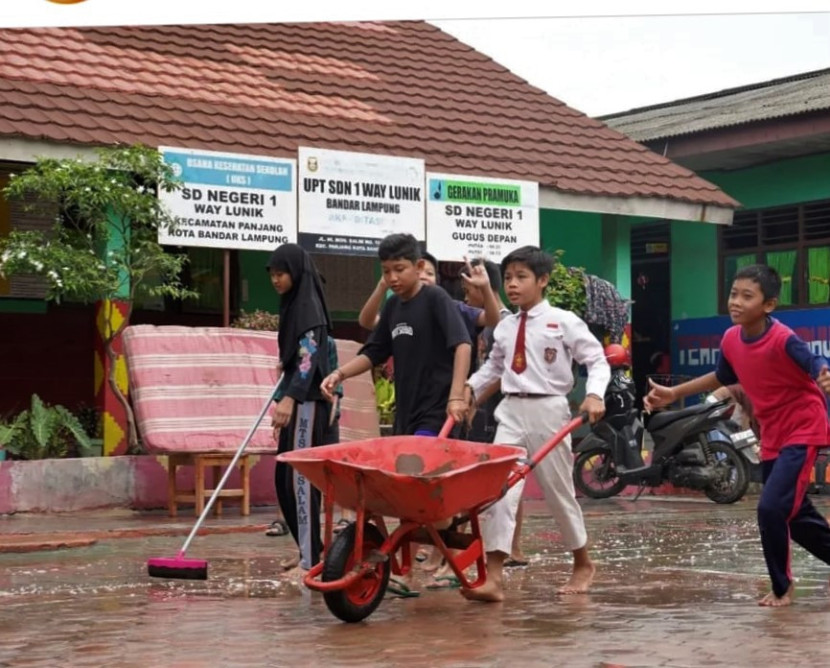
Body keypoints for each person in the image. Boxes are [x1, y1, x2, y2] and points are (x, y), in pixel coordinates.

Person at [645, 264, 830, 608]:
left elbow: (814, 359)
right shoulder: (731, 339)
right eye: (734, 294)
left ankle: (782, 587)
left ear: (768, 305)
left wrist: (822, 372)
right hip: (773, 432)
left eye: (748, 296)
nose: (736, 302)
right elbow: (721, 377)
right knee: (797, 517)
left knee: (771, 509)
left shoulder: (782, 338)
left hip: (803, 428)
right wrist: (673, 394)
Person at [321, 233, 472, 597]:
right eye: (386, 271)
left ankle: (420, 558)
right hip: (407, 411)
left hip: (437, 411)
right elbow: (373, 352)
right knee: (410, 496)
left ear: (420, 268)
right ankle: (410, 564)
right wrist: (340, 373)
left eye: (399, 269)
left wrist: (456, 396)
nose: (392, 278)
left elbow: (463, 343)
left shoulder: (435, 298)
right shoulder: (393, 308)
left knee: (415, 487)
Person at [460, 245, 610, 602]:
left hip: (550, 410)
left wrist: (595, 394)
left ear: (542, 280)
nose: (512, 285)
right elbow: (494, 369)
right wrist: (468, 390)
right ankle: (494, 577)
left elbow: (597, 360)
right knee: (499, 491)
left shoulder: (564, 321)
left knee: (558, 492)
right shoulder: (505, 327)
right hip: (510, 410)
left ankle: (583, 562)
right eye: (508, 277)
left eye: (521, 277)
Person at [266, 243, 341, 576]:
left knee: (300, 480)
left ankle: (312, 561)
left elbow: (308, 360)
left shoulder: (309, 309)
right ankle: (307, 550)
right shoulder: (295, 306)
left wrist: (290, 399)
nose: (275, 280)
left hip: (309, 404)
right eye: (272, 274)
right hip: (297, 401)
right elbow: (293, 362)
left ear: (296, 273)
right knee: (284, 477)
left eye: (281, 274)